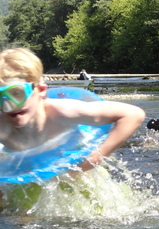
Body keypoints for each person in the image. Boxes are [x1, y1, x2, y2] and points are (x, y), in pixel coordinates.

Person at [0, 48, 146, 173]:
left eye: (17, 93)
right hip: (26, 171)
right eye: (1, 97)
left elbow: (133, 114)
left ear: (41, 91)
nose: (9, 105)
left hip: (73, 164)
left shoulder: (62, 112)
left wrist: (95, 158)